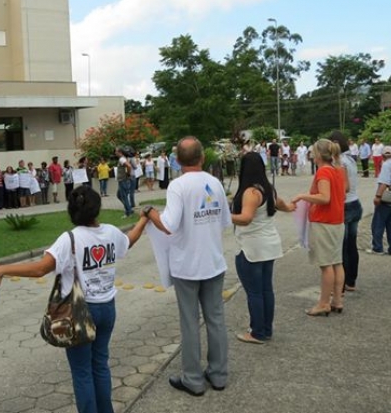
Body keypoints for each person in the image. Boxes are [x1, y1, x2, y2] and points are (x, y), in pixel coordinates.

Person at [0, 186, 149, 413]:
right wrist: (143, 220)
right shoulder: (110, 232)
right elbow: (129, 240)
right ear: (97, 209)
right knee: (100, 365)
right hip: (107, 308)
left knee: (82, 372)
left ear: (72, 211)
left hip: (79, 312)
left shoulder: (69, 239)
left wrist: (3, 269)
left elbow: (41, 269)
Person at [147, 136, 231, 395]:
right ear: (202, 157)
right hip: (214, 261)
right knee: (216, 319)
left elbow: (169, 225)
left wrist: (151, 214)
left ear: (177, 161)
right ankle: (218, 375)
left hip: (187, 265)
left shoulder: (177, 186)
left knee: (190, 322)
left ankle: (193, 379)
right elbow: (224, 220)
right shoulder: (215, 182)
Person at [231, 152, 295, 344]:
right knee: (266, 289)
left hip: (252, 247)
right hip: (269, 244)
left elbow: (246, 218)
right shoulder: (268, 189)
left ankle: (257, 331)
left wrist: (223, 216)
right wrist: (292, 206)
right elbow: (282, 205)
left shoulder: (250, 192)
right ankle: (266, 329)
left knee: (255, 292)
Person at [292, 139, 346, 316]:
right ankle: (337, 300)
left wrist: (303, 196)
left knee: (325, 265)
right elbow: (345, 190)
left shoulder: (323, 171)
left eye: (313, 152)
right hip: (337, 221)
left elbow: (324, 197)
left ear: (318, 155)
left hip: (324, 222)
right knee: (337, 262)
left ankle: (323, 303)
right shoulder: (338, 170)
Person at [329, 131, 363, 292]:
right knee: (351, 245)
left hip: (345, 206)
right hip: (355, 203)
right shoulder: (351, 159)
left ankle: (340, 284)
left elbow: (343, 188)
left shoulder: (340, 162)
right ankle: (351, 280)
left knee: (341, 247)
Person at [367, 146, 391, 256]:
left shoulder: (386, 165)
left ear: (383, 155)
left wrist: (378, 196)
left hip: (386, 199)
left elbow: (384, 182)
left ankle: (377, 247)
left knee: (378, 224)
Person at [115, 148, 133, 218]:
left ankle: (128, 213)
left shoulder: (121, 159)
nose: (115, 153)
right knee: (119, 195)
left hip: (123, 180)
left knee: (124, 196)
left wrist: (128, 174)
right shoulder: (122, 159)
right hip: (122, 180)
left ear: (120, 152)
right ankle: (129, 208)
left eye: (116, 151)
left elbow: (129, 166)